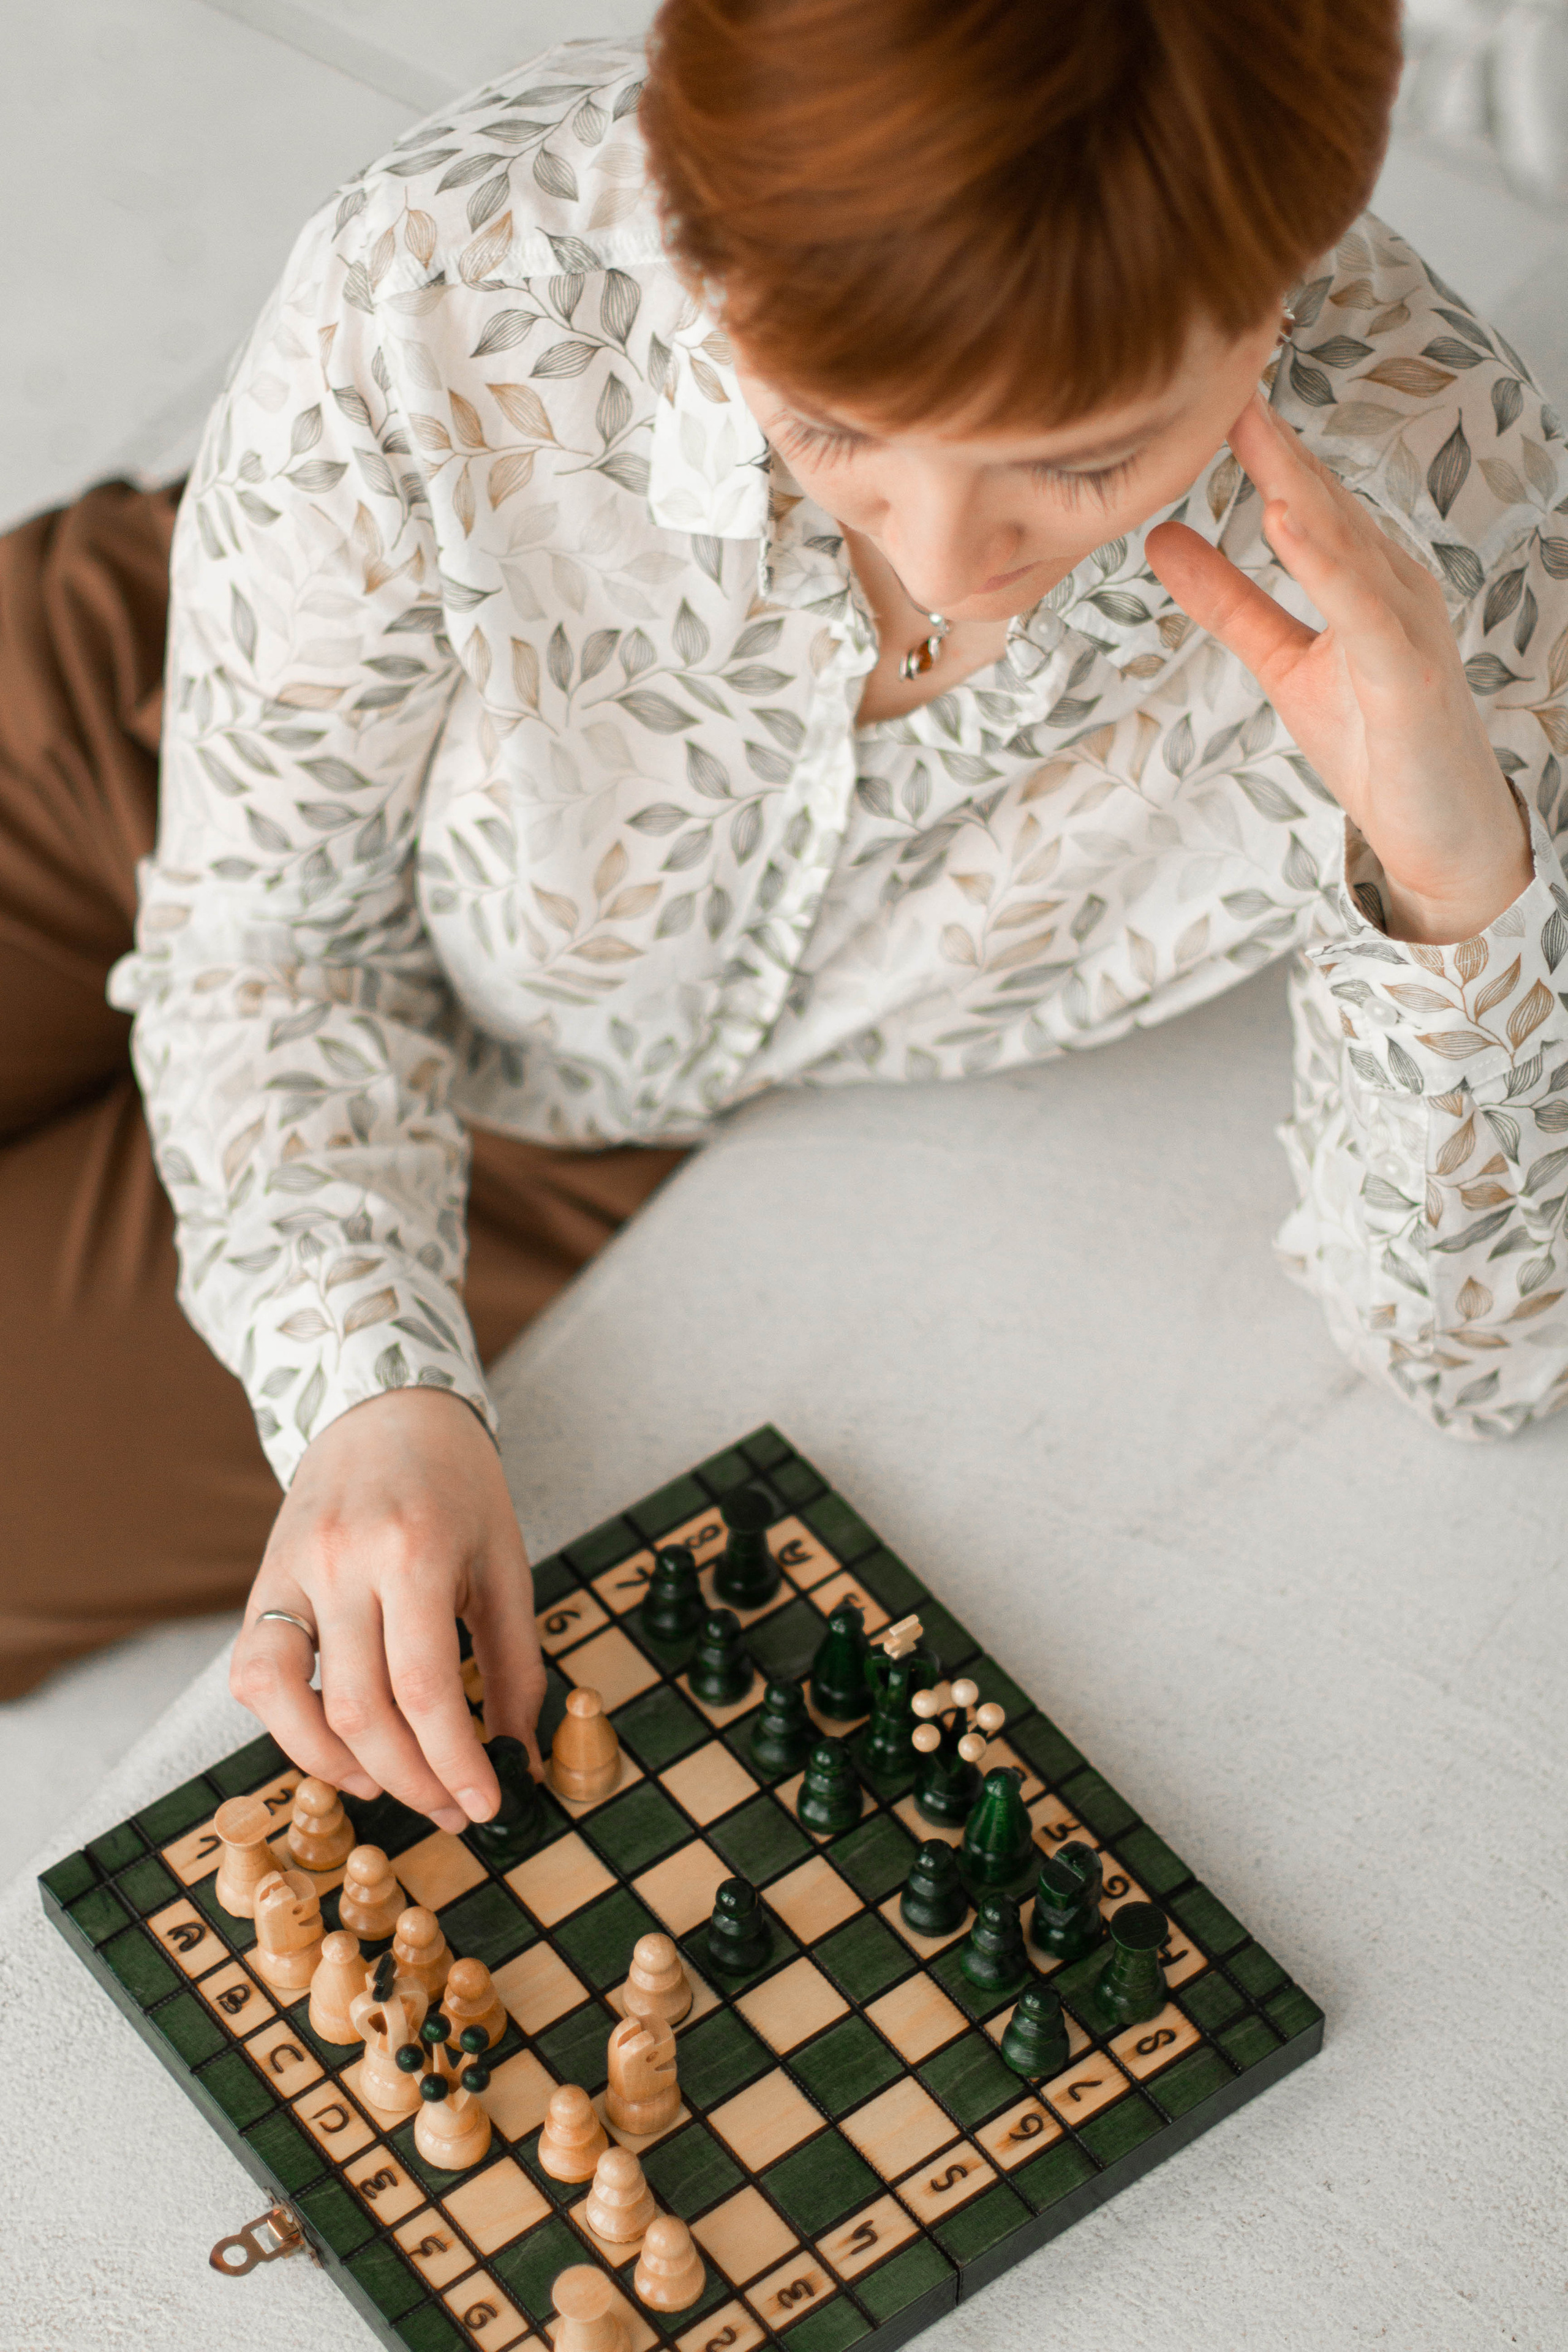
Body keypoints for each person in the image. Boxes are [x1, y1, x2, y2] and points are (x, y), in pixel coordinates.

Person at [4, 0, 1564, 1828]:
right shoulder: (443, 267)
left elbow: (1474, 1361)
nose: (936, 551)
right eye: (833, 419)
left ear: (1282, 293)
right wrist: (348, 1362)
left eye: (1081, 458)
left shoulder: (1451, 528)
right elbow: (264, 929)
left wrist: (1455, 873)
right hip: (135, 717)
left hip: (551, 1114)